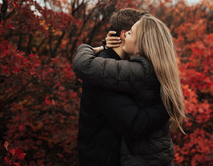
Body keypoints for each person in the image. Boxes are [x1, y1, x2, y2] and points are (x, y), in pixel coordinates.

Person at [74, 14, 185, 166]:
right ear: (121, 35)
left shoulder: (137, 69)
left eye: (131, 33)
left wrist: (89, 48)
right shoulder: (153, 66)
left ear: (142, 42)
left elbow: (85, 65)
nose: (127, 35)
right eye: (128, 32)